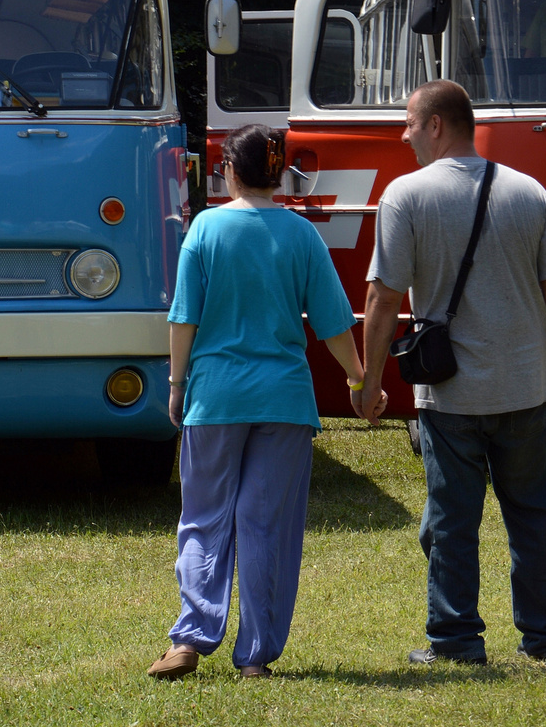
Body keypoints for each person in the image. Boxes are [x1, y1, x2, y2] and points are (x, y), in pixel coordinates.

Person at [358, 80, 546, 666]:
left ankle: (456, 641)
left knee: (451, 522)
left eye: (410, 123)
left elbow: (384, 297)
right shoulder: (529, 192)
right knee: (532, 518)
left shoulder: (404, 196)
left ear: (437, 125)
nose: (404, 133)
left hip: (449, 394)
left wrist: (368, 383)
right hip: (526, 389)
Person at [148, 124, 384, 681]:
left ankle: (190, 637)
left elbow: (185, 318)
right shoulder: (302, 236)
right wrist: (359, 381)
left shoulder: (205, 228)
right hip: (283, 401)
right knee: (266, 526)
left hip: (216, 398)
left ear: (228, 170)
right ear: (278, 174)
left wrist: (177, 385)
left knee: (203, 518)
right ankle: (255, 656)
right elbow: (332, 322)